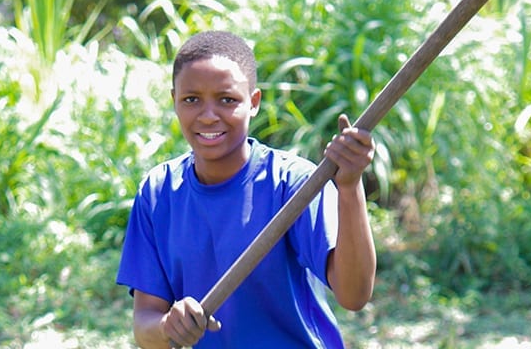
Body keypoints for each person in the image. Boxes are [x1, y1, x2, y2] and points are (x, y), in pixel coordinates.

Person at [116, 30, 377, 348]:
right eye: (191, 100)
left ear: (253, 103)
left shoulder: (293, 183)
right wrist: (169, 326)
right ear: (174, 101)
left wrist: (349, 188)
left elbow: (354, 295)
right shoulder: (157, 194)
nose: (209, 116)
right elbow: (145, 325)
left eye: (227, 100)